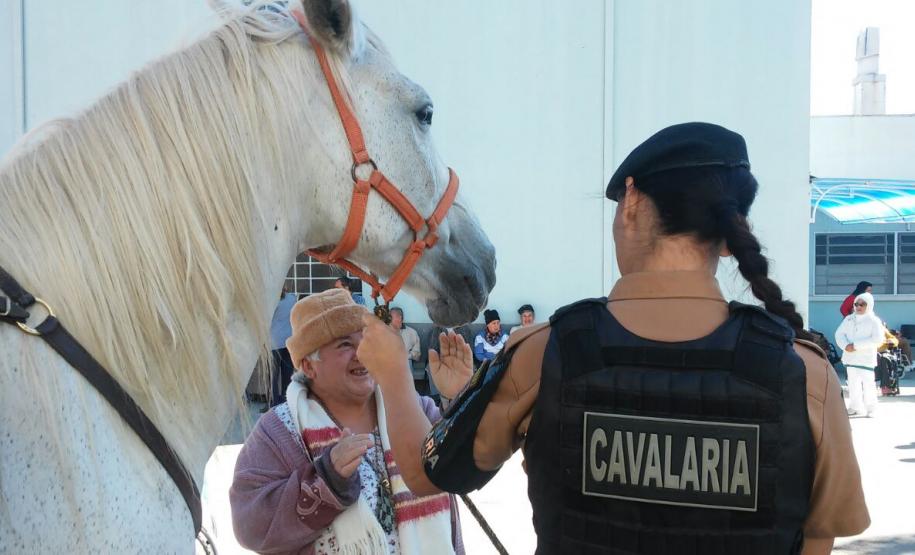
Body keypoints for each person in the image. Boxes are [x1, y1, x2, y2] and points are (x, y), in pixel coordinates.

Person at [358, 122, 869, 554]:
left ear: (631, 205)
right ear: (730, 241)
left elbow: (431, 474)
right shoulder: (806, 374)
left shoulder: (544, 354)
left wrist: (392, 372)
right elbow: (818, 537)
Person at [230, 289, 464, 554]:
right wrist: (327, 481)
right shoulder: (279, 431)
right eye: (345, 345)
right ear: (308, 365)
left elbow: (460, 468)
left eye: (364, 341)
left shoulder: (412, 407)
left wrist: (458, 400)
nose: (361, 354)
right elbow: (250, 526)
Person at [835, 292, 884, 416]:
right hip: (851, 358)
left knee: (868, 384)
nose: (859, 307)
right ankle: (855, 407)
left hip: (865, 359)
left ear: (869, 305)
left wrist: (855, 346)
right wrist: (846, 346)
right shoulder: (849, 319)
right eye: (856, 304)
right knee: (852, 384)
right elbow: (839, 334)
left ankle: (871, 408)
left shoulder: (874, 321)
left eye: (862, 304)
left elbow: (877, 340)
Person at [268, 286, 299, 407]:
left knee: (272, 376)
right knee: (287, 373)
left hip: (273, 342)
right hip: (288, 341)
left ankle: (273, 403)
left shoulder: (272, 302)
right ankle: (287, 401)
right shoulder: (292, 298)